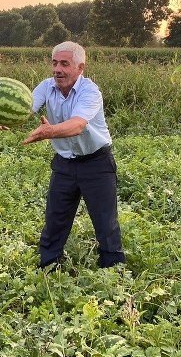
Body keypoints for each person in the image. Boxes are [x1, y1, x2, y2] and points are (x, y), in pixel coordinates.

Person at [22, 41, 126, 269]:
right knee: (55, 220)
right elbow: (25, 107)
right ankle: (48, 268)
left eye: (65, 64)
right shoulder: (46, 87)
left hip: (96, 163)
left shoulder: (90, 91)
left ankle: (114, 272)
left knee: (105, 222)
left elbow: (77, 125)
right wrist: (7, 118)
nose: (57, 69)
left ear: (80, 68)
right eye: (55, 63)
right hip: (64, 165)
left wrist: (48, 132)